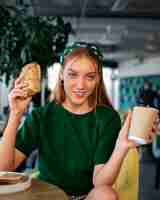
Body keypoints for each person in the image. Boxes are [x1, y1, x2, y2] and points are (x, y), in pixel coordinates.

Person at [0, 42, 156, 200]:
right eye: (73, 74)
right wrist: (15, 114)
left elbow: (100, 183)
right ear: (61, 75)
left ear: (97, 79)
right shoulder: (41, 116)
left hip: (85, 197)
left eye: (90, 76)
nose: (81, 85)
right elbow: (3, 170)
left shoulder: (107, 118)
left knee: (106, 194)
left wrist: (122, 146)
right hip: (46, 196)